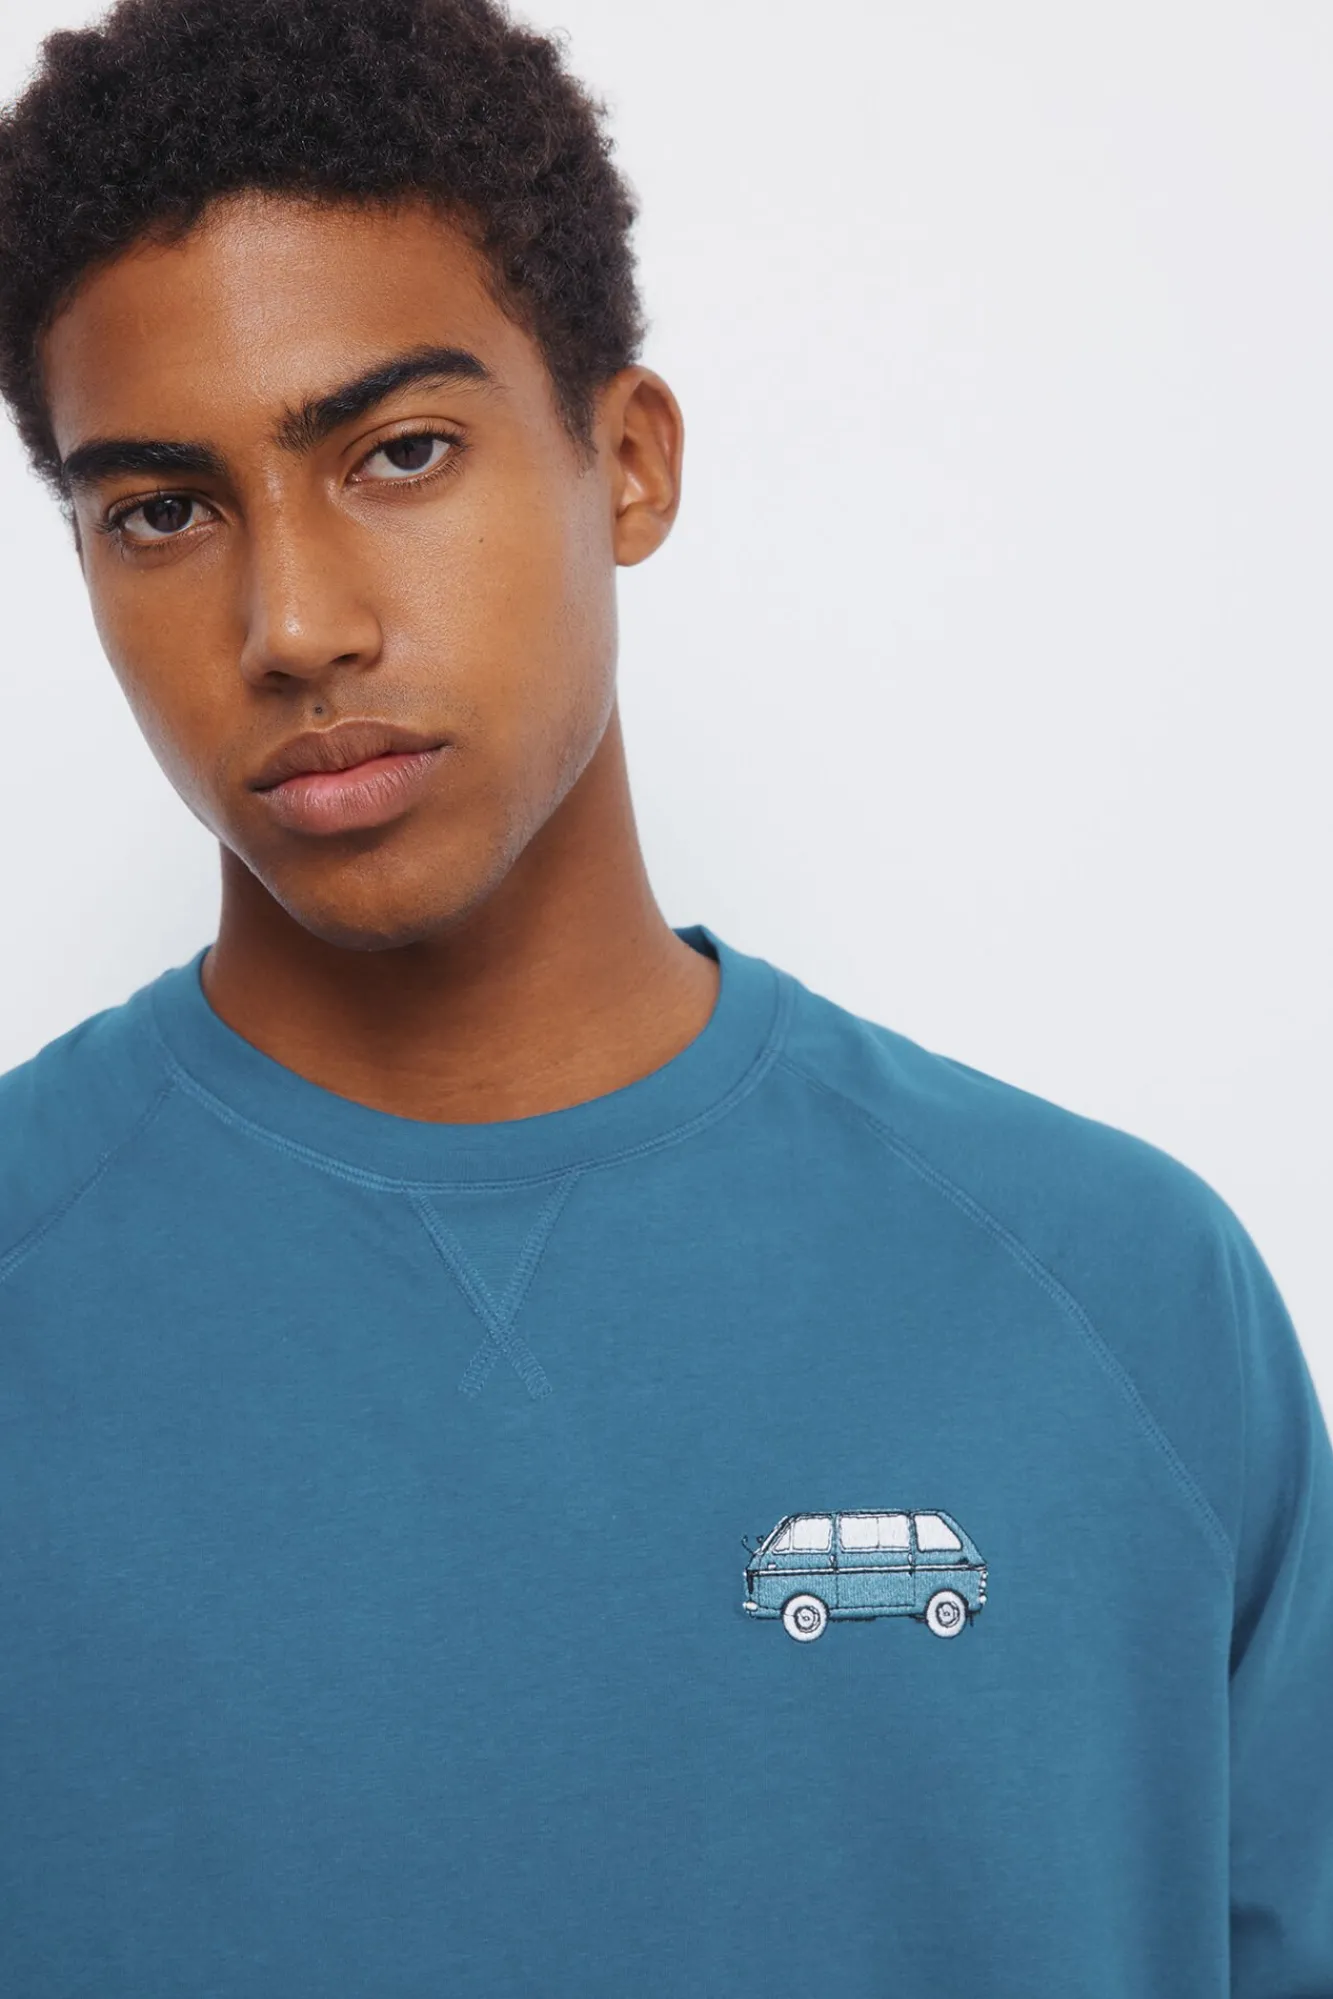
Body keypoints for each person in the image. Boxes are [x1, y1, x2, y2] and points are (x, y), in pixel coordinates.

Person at [0, 1, 1328, 1993]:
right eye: (162, 510)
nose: (295, 624)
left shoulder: (1123, 1294)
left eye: (400, 452)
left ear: (625, 463)